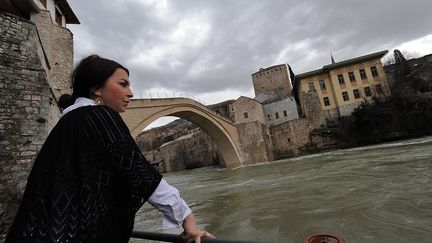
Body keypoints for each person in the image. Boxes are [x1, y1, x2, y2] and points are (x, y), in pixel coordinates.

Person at [6, 55, 214, 243]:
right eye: (123, 84)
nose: (130, 93)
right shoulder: (100, 117)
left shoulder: (65, 124)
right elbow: (140, 173)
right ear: (97, 89)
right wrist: (187, 218)